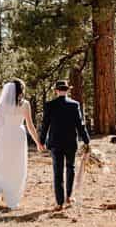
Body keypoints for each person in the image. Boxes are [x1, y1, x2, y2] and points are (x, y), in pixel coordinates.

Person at [0, 79, 44, 209]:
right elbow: (30, 126)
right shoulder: (26, 104)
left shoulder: (4, 104)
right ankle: (11, 195)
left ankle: (4, 192)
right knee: (17, 166)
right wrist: (37, 142)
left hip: (5, 136)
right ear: (21, 90)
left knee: (3, 164)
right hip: (18, 136)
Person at [38, 79, 91, 211]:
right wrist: (86, 140)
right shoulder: (74, 105)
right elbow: (80, 124)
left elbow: (45, 124)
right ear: (67, 91)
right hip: (70, 142)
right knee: (70, 168)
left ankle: (59, 202)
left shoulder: (49, 105)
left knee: (57, 171)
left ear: (56, 91)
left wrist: (41, 140)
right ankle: (69, 196)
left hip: (55, 142)